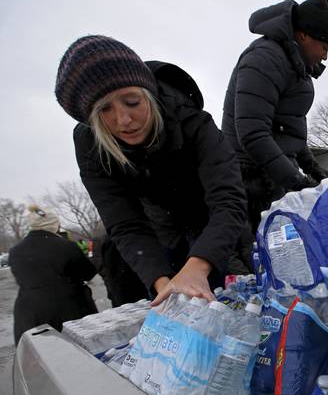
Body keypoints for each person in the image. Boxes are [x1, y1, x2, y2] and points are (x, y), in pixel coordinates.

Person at [54, 35, 248, 306]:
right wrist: (161, 283)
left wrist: (199, 265)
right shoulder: (90, 145)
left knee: (234, 292)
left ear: (149, 94)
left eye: (132, 102)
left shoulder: (192, 121)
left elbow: (228, 201)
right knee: (164, 295)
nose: (124, 119)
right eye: (104, 110)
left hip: (214, 221)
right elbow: (124, 223)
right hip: (160, 227)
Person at [221, 0, 328, 245]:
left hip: (272, 178)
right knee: (259, 261)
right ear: (304, 35)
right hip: (249, 182)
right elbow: (253, 133)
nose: (326, 56)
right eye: (325, 47)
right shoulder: (265, 58)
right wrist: (298, 182)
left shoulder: (296, 64)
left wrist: (313, 168)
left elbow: (286, 130)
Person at [9, 205, 98, 344]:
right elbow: (88, 273)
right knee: (78, 354)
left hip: (29, 311)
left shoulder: (15, 251)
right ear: (53, 224)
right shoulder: (66, 246)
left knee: (43, 355)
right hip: (69, 309)